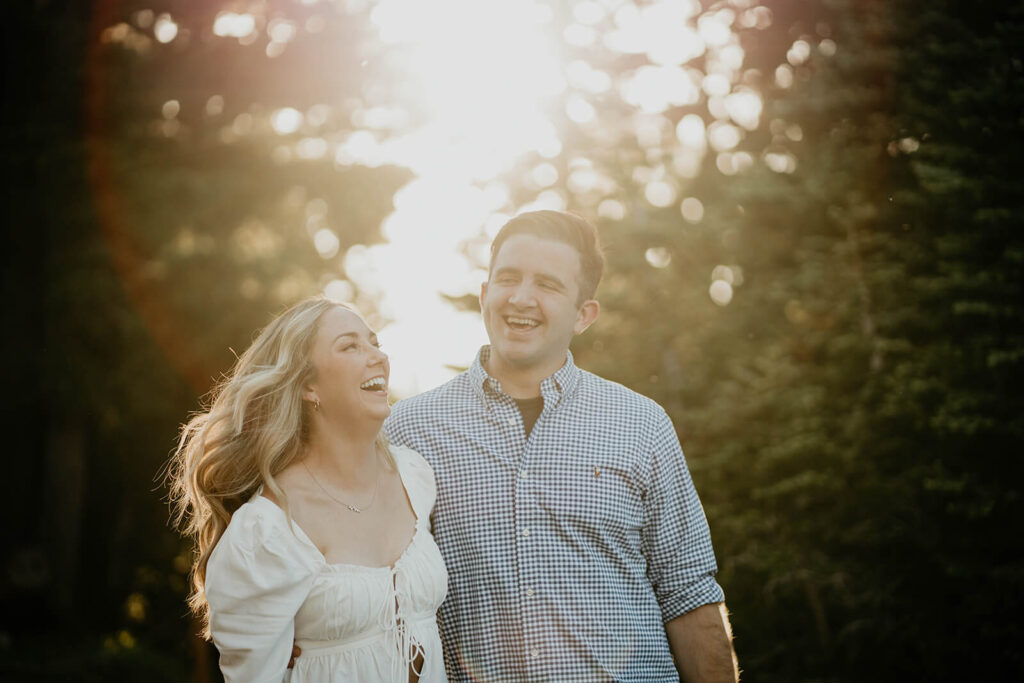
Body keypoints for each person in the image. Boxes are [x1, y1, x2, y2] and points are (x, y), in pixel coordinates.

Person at [384, 210, 738, 681]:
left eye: (548, 285)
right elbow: (384, 594)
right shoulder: (409, 429)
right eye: (508, 278)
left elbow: (687, 592)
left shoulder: (640, 423)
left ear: (583, 315)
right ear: (485, 293)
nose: (521, 298)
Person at [167, 297, 448, 682]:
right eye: (350, 346)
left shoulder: (414, 478)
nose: (377, 357)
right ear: (306, 385)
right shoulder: (268, 529)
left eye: (375, 344)